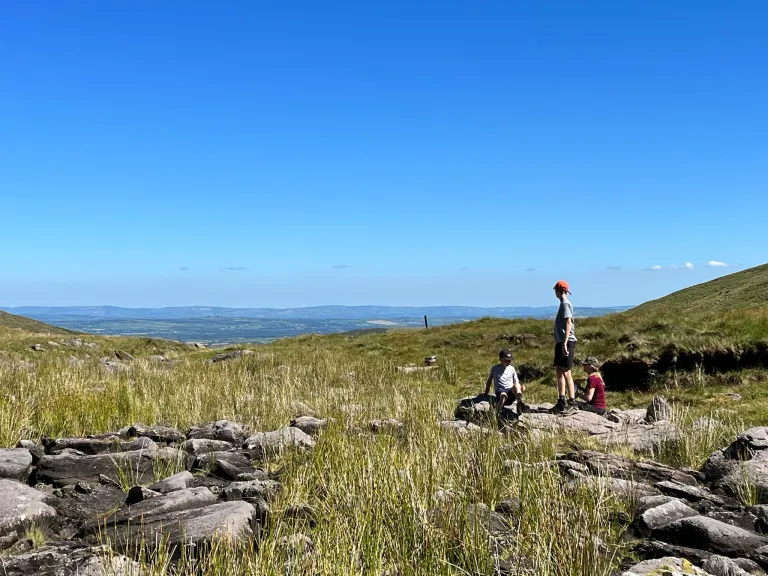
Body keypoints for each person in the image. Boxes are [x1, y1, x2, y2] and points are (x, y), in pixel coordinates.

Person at [552, 280, 577, 413]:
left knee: (566, 372)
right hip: (561, 342)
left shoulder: (566, 304)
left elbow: (568, 323)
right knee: (559, 370)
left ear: (558, 291)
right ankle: (561, 401)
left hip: (565, 342)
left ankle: (572, 402)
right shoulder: (563, 304)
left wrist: (565, 343)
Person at [483, 349, 529, 417]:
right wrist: (486, 393)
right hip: (500, 391)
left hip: (511, 393)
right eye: (506, 360)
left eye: (510, 360)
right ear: (500, 359)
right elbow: (489, 380)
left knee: (516, 384)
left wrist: (520, 388)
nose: (508, 362)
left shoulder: (512, 369)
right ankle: (498, 411)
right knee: (503, 394)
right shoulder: (495, 368)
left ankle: (520, 402)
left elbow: (516, 381)